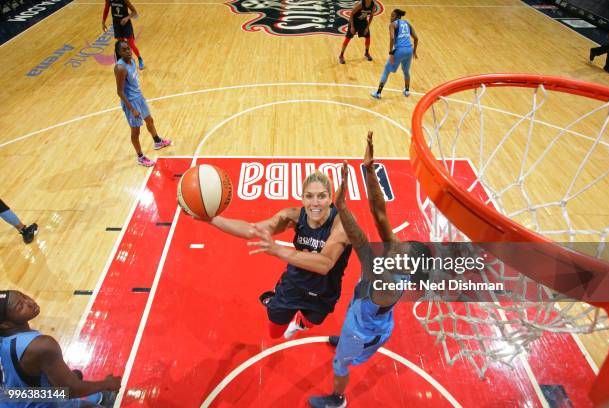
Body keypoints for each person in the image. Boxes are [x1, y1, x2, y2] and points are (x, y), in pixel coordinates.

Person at [308, 132, 431, 408]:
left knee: (340, 362)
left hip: (363, 330)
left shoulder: (387, 281)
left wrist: (341, 206)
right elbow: (379, 212)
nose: (398, 245)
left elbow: (361, 243)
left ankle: (337, 399)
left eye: (402, 251)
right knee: (352, 310)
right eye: (403, 245)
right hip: (365, 309)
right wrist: (368, 169)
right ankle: (344, 348)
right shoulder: (397, 257)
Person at [206, 171, 352, 339]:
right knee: (274, 333)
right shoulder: (293, 216)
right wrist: (212, 220)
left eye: (322, 196)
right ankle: (285, 309)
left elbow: (325, 264)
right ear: (302, 198)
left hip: (325, 292)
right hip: (294, 285)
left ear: (330, 199)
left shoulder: (342, 223)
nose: (315, 203)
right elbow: (250, 230)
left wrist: (277, 250)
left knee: (311, 322)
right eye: (309, 196)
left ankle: (299, 323)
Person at [0, 290, 121, 407]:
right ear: (6, 324)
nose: (30, 302)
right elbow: (70, 391)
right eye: (20, 306)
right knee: (74, 393)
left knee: (64, 380)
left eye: (24, 296)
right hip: (39, 403)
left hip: (9, 397)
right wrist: (107, 384)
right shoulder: (41, 346)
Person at [114, 40, 171, 167]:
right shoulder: (120, 68)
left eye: (128, 48)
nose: (128, 51)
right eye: (124, 50)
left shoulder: (132, 61)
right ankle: (140, 157)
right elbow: (120, 92)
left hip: (139, 97)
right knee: (136, 132)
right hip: (131, 102)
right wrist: (132, 109)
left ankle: (157, 141)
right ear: (119, 52)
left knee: (150, 120)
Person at [371, 9, 418, 99]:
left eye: (392, 16)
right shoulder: (407, 23)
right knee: (406, 71)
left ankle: (378, 93)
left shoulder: (392, 25)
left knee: (386, 71)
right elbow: (416, 38)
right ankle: (407, 91)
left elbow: (392, 38)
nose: (390, 18)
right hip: (409, 50)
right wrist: (414, 51)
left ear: (397, 17)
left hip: (399, 50)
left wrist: (391, 53)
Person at [102, 0, 145, 70]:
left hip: (126, 24)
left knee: (131, 44)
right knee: (120, 46)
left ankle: (140, 59)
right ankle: (122, 63)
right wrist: (103, 22)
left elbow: (134, 12)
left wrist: (127, 18)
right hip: (116, 24)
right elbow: (106, 9)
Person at [338, 0, 375, 64]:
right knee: (348, 38)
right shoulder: (360, 4)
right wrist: (352, 27)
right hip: (354, 21)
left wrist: (367, 27)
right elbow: (351, 14)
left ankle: (366, 53)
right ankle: (341, 55)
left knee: (368, 36)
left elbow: (371, 16)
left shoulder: (373, 5)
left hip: (363, 21)